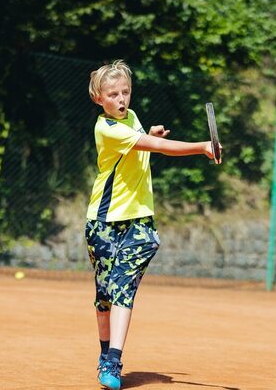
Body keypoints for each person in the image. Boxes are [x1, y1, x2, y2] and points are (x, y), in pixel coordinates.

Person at [85, 60, 220, 390]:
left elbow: (144, 141)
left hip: (139, 222)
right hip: (103, 223)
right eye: (113, 94)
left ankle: (113, 362)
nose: (121, 99)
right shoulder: (107, 128)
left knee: (122, 287)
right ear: (98, 99)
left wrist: (146, 132)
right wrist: (202, 146)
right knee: (105, 296)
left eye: (125, 92)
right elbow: (154, 147)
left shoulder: (130, 119)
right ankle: (106, 357)